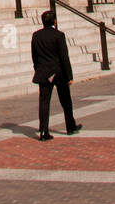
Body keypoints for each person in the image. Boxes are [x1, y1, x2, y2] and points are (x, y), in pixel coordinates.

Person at [31, 10, 82, 141]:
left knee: (44, 102)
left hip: (43, 73)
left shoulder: (36, 36)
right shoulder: (59, 35)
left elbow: (34, 56)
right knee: (65, 101)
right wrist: (69, 75)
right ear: (54, 21)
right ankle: (70, 126)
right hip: (58, 73)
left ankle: (43, 131)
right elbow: (64, 57)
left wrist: (38, 69)